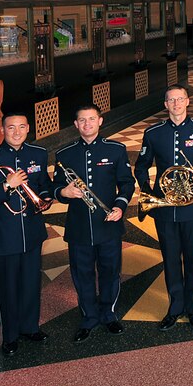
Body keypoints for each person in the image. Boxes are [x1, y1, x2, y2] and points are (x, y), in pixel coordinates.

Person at [52, 103, 135, 343]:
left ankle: (108, 314)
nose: (87, 124)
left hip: (108, 224)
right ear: (76, 124)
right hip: (78, 227)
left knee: (110, 272)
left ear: (100, 121)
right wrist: (63, 193)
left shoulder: (116, 149)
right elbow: (53, 188)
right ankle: (88, 316)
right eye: (82, 120)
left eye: (91, 119)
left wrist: (120, 206)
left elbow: (126, 183)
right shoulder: (64, 154)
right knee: (82, 273)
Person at [134, 85, 193, 331]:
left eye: (180, 99)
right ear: (165, 104)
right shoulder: (153, 132)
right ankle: (174, 307)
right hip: (165, 207)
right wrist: (148, 190)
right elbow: (141, 165)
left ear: (188, 101)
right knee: (170, 259)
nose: (176, 104)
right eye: (171, 100)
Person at [0, 113, 52, 356]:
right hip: (3, 235)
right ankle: (10, 336)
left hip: (31, 231)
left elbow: (44, 184)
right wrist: (6, 186)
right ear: (2, 130)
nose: (17, 132)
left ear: (28, 128)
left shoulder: (38, 154)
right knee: (8, 288)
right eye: (11, 127)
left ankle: (30, 327)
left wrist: (47, 196)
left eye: (21, 126)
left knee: (31, 283)